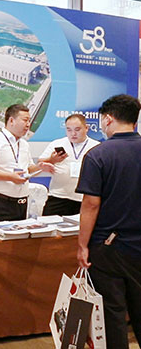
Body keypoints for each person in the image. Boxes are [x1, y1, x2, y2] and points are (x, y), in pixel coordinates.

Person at [76, 94, 141, 349]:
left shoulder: (98, 155)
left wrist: (82, 245)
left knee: (112, 313)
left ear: (108, 119)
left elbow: (91, 204)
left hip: (109, 247)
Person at [0, 104, 54, 221]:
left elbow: (28, 169)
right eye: (25, 120)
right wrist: (10, 177)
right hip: (0, 202)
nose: (28, 124)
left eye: (29, 121)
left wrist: (40, 167)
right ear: (11, 120)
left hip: (22, 202)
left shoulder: (24, 144)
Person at [38, 114, 99, 216]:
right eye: (69, 130)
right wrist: (50, 161)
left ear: (86, 128)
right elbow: (41, 162)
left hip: (83, 198)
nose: (73, 134)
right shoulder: (57, 144)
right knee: (48, 224)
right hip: (58, 195)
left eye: (77, 129)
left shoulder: (96, 147)